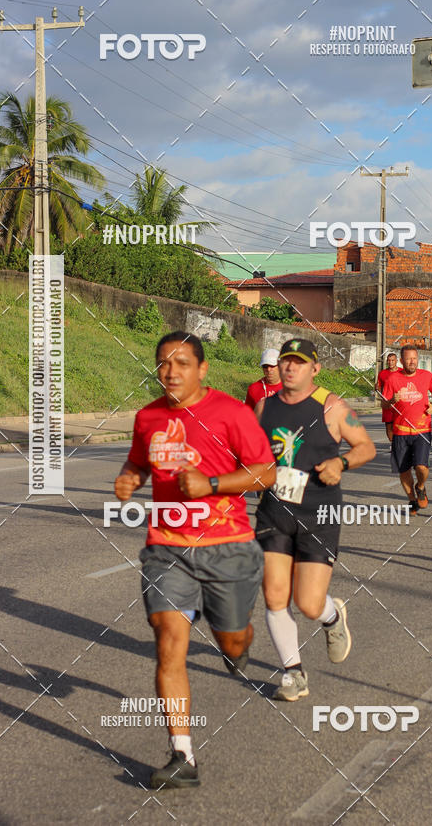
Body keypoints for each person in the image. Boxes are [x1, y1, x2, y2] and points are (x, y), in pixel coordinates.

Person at [114, 331, 275, 788]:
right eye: (164, 362)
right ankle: (182, 754)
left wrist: (213, 484)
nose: (171, 371)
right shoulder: (148, 417)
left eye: (182, 362)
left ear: (202, 369)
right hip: (167, 547)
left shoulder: (231, 412)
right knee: (168, 643)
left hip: (228, 546)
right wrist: (129, 477)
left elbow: (266, 472)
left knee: (233, 642)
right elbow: (139, 462)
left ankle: (238, 644)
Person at [253, 338, 376, 702]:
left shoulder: (333, 407)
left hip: (319, 513)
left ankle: (332, 617)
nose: (289, 368)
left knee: (308, 603)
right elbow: (251, 454)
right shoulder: (264, 407)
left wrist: (342, 462)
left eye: (299, 363)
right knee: (275, 595)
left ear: (314, 369)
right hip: (274, 510)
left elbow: (365, 447)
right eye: (285, 362)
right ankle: (293, 673)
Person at [381, 344, 432, 514]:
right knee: (404, 470)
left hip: (422, 430)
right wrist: (391, 400)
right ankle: (412, 500)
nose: (412, 362)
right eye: (408, 359)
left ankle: (420, 486)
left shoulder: (427, 376)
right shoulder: (392, 379)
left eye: (414, 358)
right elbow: (383, 403)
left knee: (421, 466)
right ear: (401, 361)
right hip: (400, 432)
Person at [376, 351, 402, 442]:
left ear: (396, 361)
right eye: (389, 360)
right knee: (389, 425)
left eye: (392, 360)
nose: (390, 362)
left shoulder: (402, 372)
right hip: (387, 403)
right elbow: (378, 386)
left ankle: (400, 443)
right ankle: (393, 444)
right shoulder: (382, 373)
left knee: (400, 425)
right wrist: (377, 388)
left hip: (399, 402)